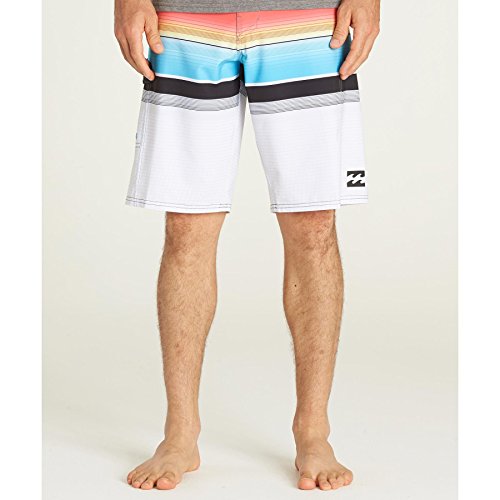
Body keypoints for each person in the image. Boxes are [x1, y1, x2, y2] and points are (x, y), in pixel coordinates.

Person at [115, 0, 380, 491]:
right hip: (185, 18)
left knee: (314, 226)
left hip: (308, 19)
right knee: (187, 227)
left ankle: (314, 431)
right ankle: (180, 433)